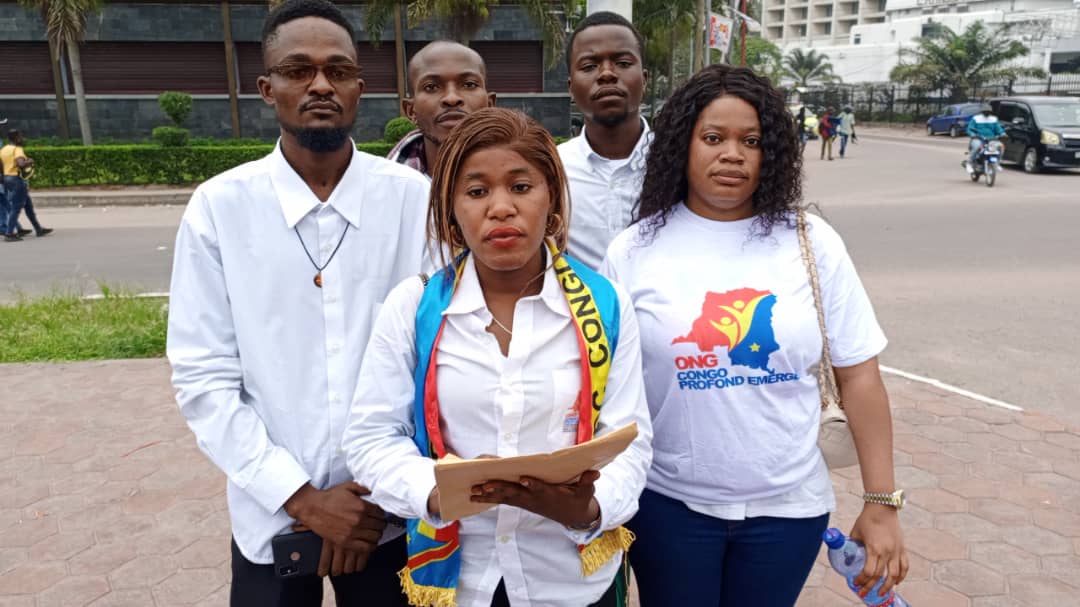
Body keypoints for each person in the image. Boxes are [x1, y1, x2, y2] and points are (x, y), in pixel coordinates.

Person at [601, 65, 908, 607]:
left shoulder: (811, 241)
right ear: (682, 144)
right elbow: (610, 388)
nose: (733, 154)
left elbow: (860, 375)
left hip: (788, 512)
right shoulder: (634, 249)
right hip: (667, 507)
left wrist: (881, 503)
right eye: (713, 138)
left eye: (752, 141)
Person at [166, 1, 430, 605]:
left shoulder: (413, 201)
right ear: (267, 88)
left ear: (360, 88)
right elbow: (204, 377)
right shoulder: (220, 209)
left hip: (388, 513)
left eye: (338, 70)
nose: (320, 85)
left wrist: (372, 492)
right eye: (297, 70)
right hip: (272, 516)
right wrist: (303, 498)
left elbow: (438, 351)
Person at [343, 107, 653, 607]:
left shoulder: (605, 305)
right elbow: (370, 436)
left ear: (552, 198)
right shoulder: (415, 306)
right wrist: (438, 492)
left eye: (521, 187)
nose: (501, 208)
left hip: (569, 582)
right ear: (451, 210)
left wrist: (587, 508)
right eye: (477, 191)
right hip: (460, 583)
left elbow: (630, 440)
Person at [558, 11, 650, 270]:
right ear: (570, 87)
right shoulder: (552, 168)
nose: (607, 74)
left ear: (644, 80)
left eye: (623, 63)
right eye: (589, 66)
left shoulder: (680, 163)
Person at [388, 40, 496, 179]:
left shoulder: (522, 174)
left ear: (490, 105)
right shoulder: (384, 188)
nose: (451, 98)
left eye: (469, 84)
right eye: (431, 87)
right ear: (410, 111)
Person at [1, 130, 51, 242]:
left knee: (28, 205)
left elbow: (1, 167)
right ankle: (9, 234)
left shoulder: (3, 149)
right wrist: (30, 161)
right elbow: (21, 164)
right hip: (16, 179)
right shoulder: (17, 149)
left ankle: (38, 229)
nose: (22, 138)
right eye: (21, 136)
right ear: (17, 138)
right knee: (16, 207)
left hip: (7, 178)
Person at [964, 103, 1005, 175]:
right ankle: (969, 163)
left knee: (1000, 146)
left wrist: (1002, 133)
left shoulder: (994, 119)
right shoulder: (976, 118)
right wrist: (973, 135)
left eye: (988, 111)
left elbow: (998, 128)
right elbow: (969, 129)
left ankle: (997, 163)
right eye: (985, 111)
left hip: (991, 139)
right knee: (976, 147)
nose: (987, 113)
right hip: (978, 138)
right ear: (982, 111)